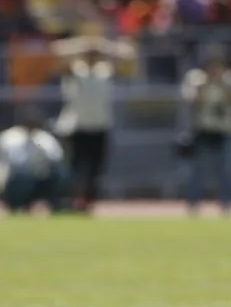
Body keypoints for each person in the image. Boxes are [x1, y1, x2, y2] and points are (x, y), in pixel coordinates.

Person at [53, 36, 134, 213]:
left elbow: (129, 55)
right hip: (77, 127)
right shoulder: (75, 70)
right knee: (75, 167)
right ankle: (71, 199)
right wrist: (82, 46)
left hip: (99, 126)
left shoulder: (104, 71)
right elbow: (55, 51)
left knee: (95, 168)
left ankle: (87, 200)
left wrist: (103, 47)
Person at [180, 46, 231, 216]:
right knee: (199, 170)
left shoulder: (229, 78)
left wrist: (221, 82)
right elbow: (193, 101)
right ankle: (193, 204)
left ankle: (226, 203)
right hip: (203, 130)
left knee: (226, 170)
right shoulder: (196, 79)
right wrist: (206, 84)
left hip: (224, 130)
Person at [0, 108, 67, 214]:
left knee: (60, 174)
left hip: (41, 178)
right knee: (19, 179)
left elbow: (56, 157)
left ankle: (47, 203)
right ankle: (16, 205)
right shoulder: (10, 137)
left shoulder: (44, 138)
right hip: (16, 178)